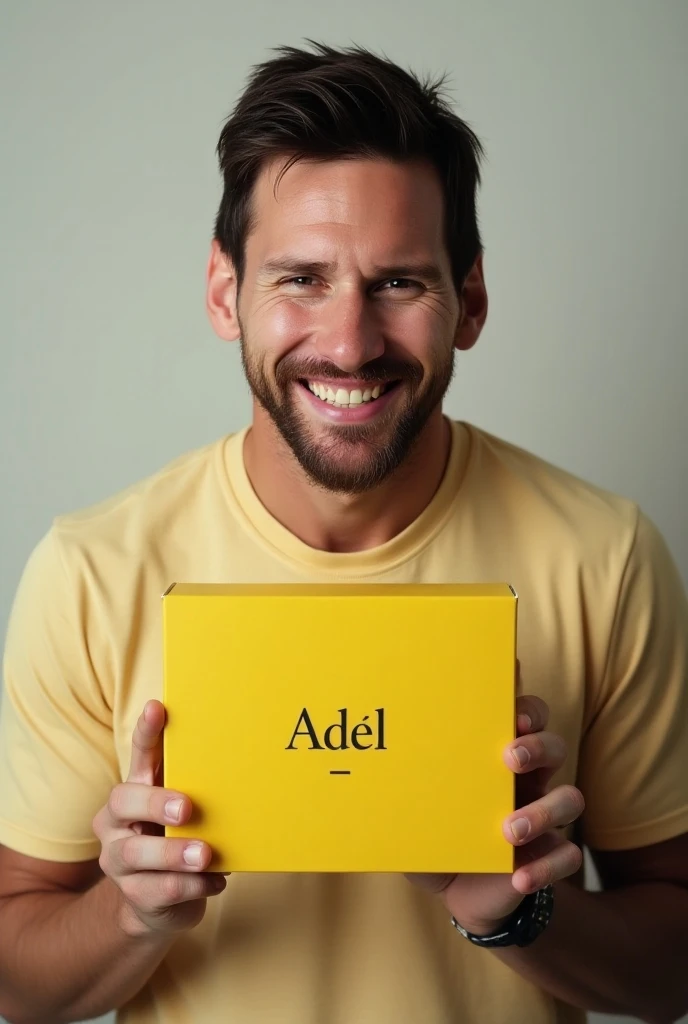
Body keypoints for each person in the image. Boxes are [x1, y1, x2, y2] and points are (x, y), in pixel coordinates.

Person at [0, 39, 686, 1024]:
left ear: (471, 300)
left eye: (399, 282)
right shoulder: (92, 571)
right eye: (301, 279)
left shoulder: (604, 555)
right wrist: (130, 914)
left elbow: (672, 971)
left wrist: (519, 914)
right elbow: (18, 982)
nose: (349, 341)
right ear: (223, 291)